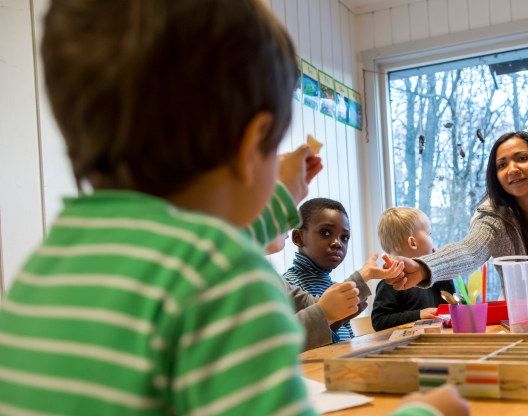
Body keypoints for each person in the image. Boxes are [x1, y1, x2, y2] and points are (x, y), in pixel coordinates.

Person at [0, 1, 468, 415]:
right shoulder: (224, 277)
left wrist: (282, 196)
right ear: (250, 147)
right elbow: (214, 252)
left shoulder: (52, 264)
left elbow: (200, 241)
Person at [393, 131, 528, 302]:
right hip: (526, 320)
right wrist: (423, 267)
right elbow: (470, 251)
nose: (512, 169)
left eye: (522, 158)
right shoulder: (493, 217)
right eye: (502, 165)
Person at [283, 198, 392, 344]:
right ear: (298, 237)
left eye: (344, 237)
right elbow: (295, 344)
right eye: (325, 233)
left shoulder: (332, 285)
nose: (337, 243)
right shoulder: (288, 284)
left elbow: (346, 341)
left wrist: (339, 320)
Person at [372, 207, 455, 331]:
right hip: (408, 347)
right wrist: (419, 315)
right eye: (429, 234)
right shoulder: (392, 282)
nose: (432, 240)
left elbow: (452, 306)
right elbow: (379, 321)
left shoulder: (432, 278)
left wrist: (442, 272)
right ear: (413, 243)